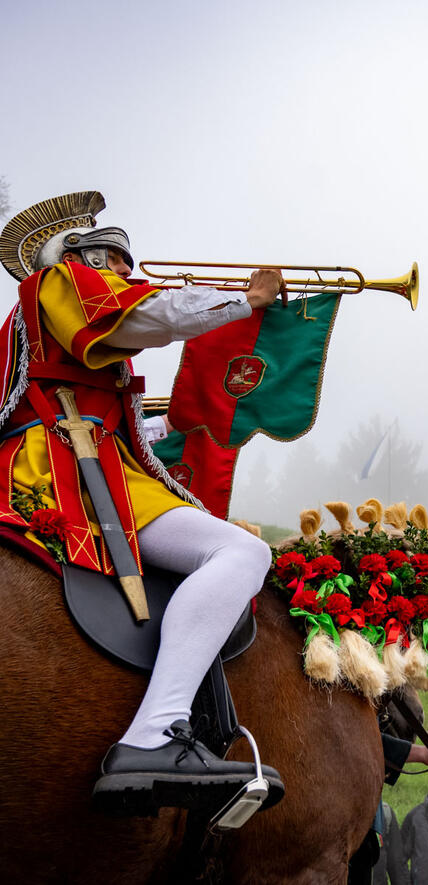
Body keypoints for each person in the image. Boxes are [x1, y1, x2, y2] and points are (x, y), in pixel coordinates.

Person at [0, 192, 297, 812]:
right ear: (68, 256)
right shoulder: (58, 280)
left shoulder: (63, 316)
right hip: (67, 462)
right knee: (241, 554)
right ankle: (154, 732)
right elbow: (147, 314)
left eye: (123, 264)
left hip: (90, 456)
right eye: (108, 260)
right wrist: (246, 300)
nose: (120, 275)